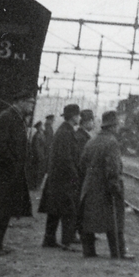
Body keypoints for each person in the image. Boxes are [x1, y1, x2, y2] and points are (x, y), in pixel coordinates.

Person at [0, 90, 37, 256]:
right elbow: (0, 146)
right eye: (30, 102)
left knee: (4, 210)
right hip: (3, 173)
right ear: (19, 101)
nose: (32, 106)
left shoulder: (16, 118)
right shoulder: (6, 117)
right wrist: (12, 164)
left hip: (10, 173)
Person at [78, 111, 134, 260]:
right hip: (106, 188)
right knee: (115, 220)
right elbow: (113, 168)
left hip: (90, 186)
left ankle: (88, 251)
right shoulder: (112, 143)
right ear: (113, 126)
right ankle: (118, 252)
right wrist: (115, 187)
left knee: (88, 219)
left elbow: (82, 163)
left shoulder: (91, 141)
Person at [39, 103, 83, 251]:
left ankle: (49, 239)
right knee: (68, 210)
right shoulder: (66, 132)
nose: (79, 118)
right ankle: (66, 241)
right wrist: (74, 175)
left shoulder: (63, 130)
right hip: (64, 179)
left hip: (57, 178)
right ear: (74, 117)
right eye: (78, 115)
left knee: (55, 210)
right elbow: (66, 158)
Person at [25, 120, 47, 192]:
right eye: (41, 126)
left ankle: (37, 185)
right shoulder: (37, 135)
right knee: (37, 171)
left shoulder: (41, 134)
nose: (42, 127)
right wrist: (39, 156)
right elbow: (36, 148)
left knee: (40, 171)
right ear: (39, 127)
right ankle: (35, 186)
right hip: (38, 157)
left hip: (42, 155)